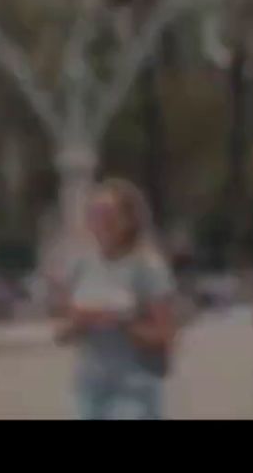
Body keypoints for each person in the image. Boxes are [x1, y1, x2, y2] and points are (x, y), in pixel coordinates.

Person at [51, 178, 179, 420]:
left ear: (129, 219)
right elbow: (61, 332)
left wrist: (121, 322)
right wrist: (79, 322)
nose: (101, 221)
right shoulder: (82, 264)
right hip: (90, 389)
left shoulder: (148, 267)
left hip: (135, 390)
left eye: (108, 213)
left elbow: (165, 337)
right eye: (95, 213)